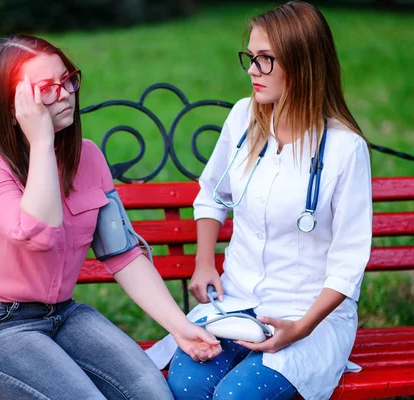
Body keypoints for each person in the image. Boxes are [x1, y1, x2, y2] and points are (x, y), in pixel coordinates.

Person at [0, 34, 221, 400]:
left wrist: (180, 327)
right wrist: (42, 142)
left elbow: (123, 254)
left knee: (154, 394)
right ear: (12, 104)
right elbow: (37, 234)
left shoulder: (87, 157)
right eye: (45, 88)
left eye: (67, 80)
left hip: (62, 315)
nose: (64, 94)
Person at [153, 2, 373, 399]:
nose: (253, 71)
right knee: (185, 387)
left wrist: (301, 328)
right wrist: (204, 264)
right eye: (251, 58)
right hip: (235, 307)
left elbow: (348, 264)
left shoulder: (345, 150)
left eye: (266, 60)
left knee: (235, 396)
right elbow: (213, 193)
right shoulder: (243, 119)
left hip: (305, 319)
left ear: (303, 64)